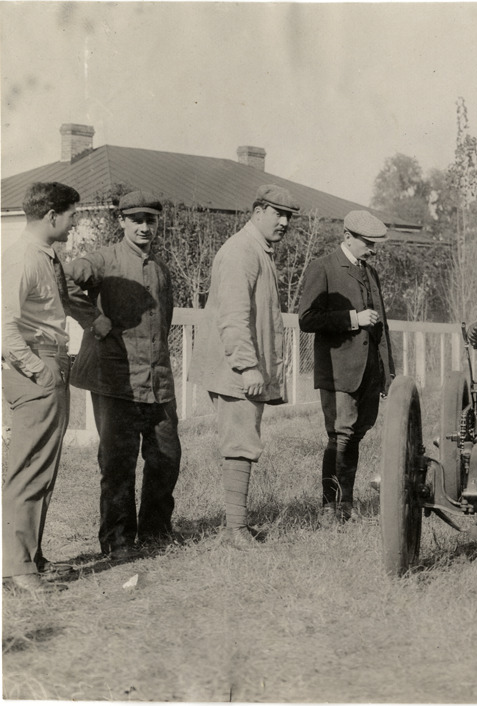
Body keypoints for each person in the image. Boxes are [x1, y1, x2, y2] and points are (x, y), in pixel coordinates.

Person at [64, 191, 181, 560]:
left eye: (150, 220)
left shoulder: (160, 268)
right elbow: (62, 279)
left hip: (158, 381)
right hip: (116, 380)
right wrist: (92, 319)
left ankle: (156, 532)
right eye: (136, 220)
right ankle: (118, 541)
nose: (144, 227)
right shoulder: (104, 260)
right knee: (118, 463)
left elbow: (164, 323)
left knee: (166, 457)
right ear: (122, 222)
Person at [190, 184, 299, 548]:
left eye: (288, 217)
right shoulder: (241, 251)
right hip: (235, 368)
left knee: (243, 440)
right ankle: (235, 530)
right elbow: (233, 317)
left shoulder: (257, 249)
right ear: (257, 212)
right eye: (277, 213)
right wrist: (247, 366)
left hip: (239, 366)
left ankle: (235, 525)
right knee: (240, 443)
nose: (284, 222)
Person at [1, 182, 81, 595]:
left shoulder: (42, 256)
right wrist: (38, 371)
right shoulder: (23, 258)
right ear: (52, 215)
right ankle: (16, 568)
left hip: (48, 361)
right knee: (29, 467)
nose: (74, 223)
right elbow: (4, 327)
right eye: (71, 215)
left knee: (43, 466)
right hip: (36, 365)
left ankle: (30, 557)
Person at [298, 210, 395, 525]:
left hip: (368, 373)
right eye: (368, 243)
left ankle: (346, 507)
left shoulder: (370, 273)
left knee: (355, 436)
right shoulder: (323, 267)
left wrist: (387, 375)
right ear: (348, 237)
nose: (372, 250)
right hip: (339, 371)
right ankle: (329, 508)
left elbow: (382, 327)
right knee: (340, 436)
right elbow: (307, 319)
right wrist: (353, 319)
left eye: (374, 244)